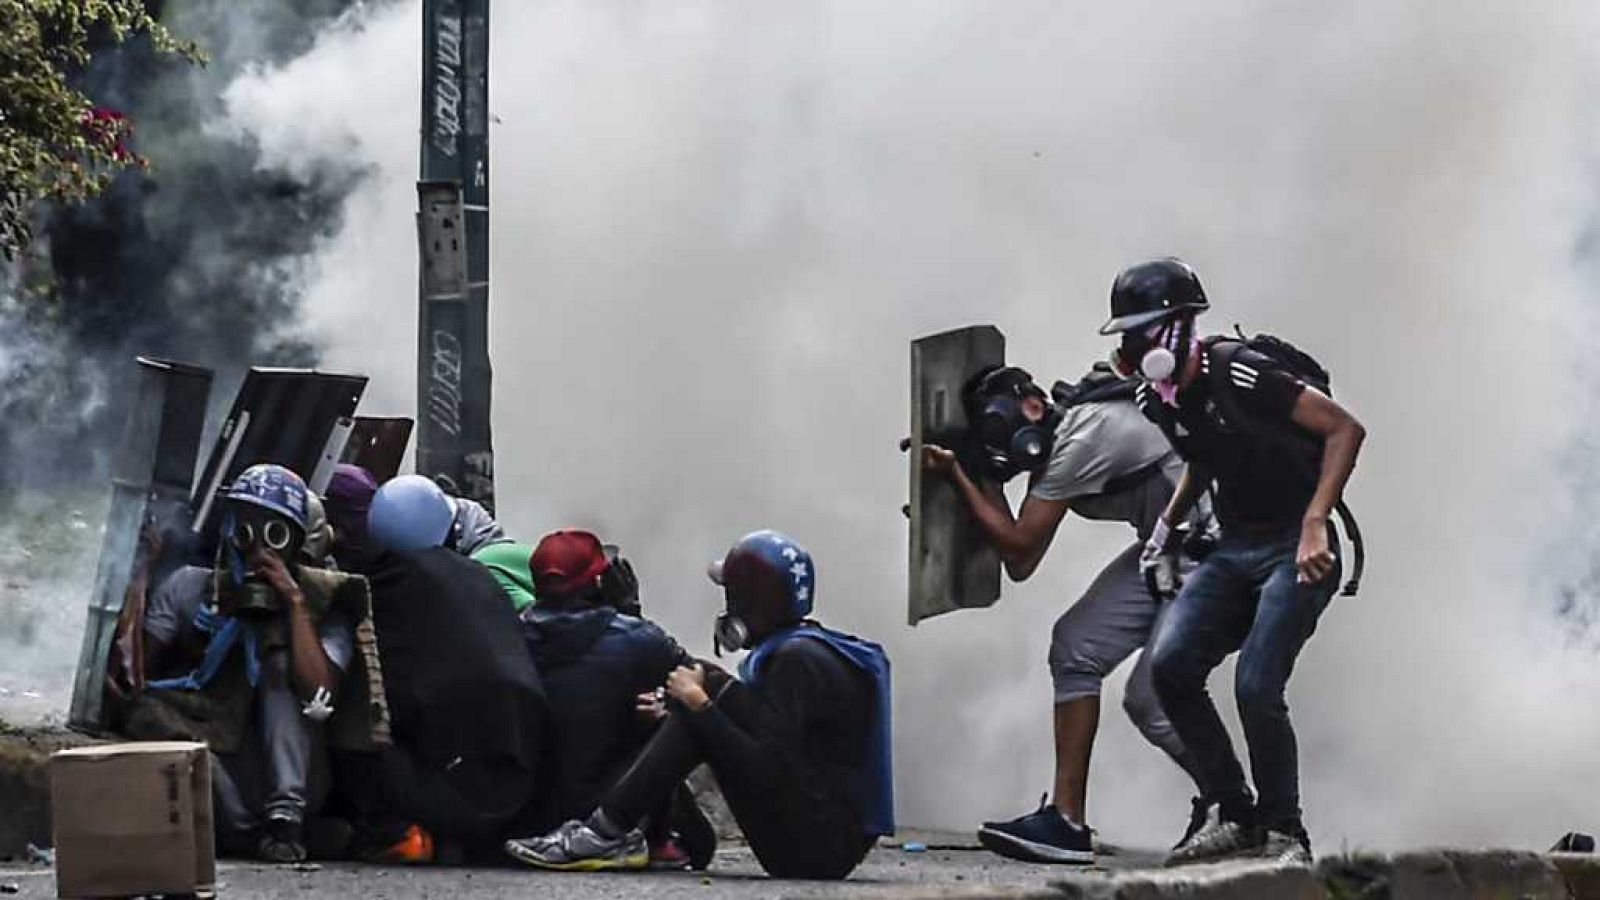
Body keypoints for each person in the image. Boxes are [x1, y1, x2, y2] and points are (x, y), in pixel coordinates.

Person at [1099, 258, 1366, 865]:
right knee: (1171, 667)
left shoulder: (1243, 372)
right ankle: (1233, 810)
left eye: (1141, 333)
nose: (1131, 349)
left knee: (1257, 685)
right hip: (1235, 547)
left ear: (1178, 326)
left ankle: (1284, 832)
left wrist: (1315, 522)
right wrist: (1165, 529)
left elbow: (1345, 430)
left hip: (1295, 547)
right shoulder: (1159, 396)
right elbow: (1204, 454)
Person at [921, 362, 1213, 864]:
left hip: (1215, 552)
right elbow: (1023, 562)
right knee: (1077, 646)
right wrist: (974, 470)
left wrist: (958, 476)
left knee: (1151, 698)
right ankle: (1067, 822)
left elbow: (1018, 549)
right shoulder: (1065, 444)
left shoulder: (1082, 437)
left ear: (1033, 407)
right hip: (1170, 551)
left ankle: (1238, 810)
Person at [505, 530, 893, 880]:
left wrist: (700, 707)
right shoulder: (807, 648)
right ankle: (615, 832)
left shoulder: (796, 662)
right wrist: (688, 701)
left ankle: (602, 835)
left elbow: (766, 767)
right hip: (822, 839)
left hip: (812, 855)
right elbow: (766, 733)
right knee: (701, 684)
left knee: (697, 703)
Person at [138, 464, 365, 863]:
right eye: (246, 529)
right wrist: (147, 574)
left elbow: (320, 693)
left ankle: (287, 819)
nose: (258, 547)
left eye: (274, 533)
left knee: (279, 663)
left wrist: (293, 604)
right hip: (222, 768)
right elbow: (138, 676)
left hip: (296, 776)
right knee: (152, 717)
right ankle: (251, 835)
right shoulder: (191, 586)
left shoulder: (325, 602)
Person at [329, 473, 547, 862]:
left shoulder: (386, 590)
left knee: (349, 725)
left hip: (456, 796)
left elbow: (387, 699)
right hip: (524, 790)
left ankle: (394, 832)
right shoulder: (482, 575)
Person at [514, 529, 713, 869]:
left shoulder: (511, 631)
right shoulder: (634, 637)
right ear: (599, 583)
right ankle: (661, 840)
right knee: (675, 714)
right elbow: (699, 678)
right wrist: (631, 612)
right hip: (600, 803)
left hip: (525, 809)